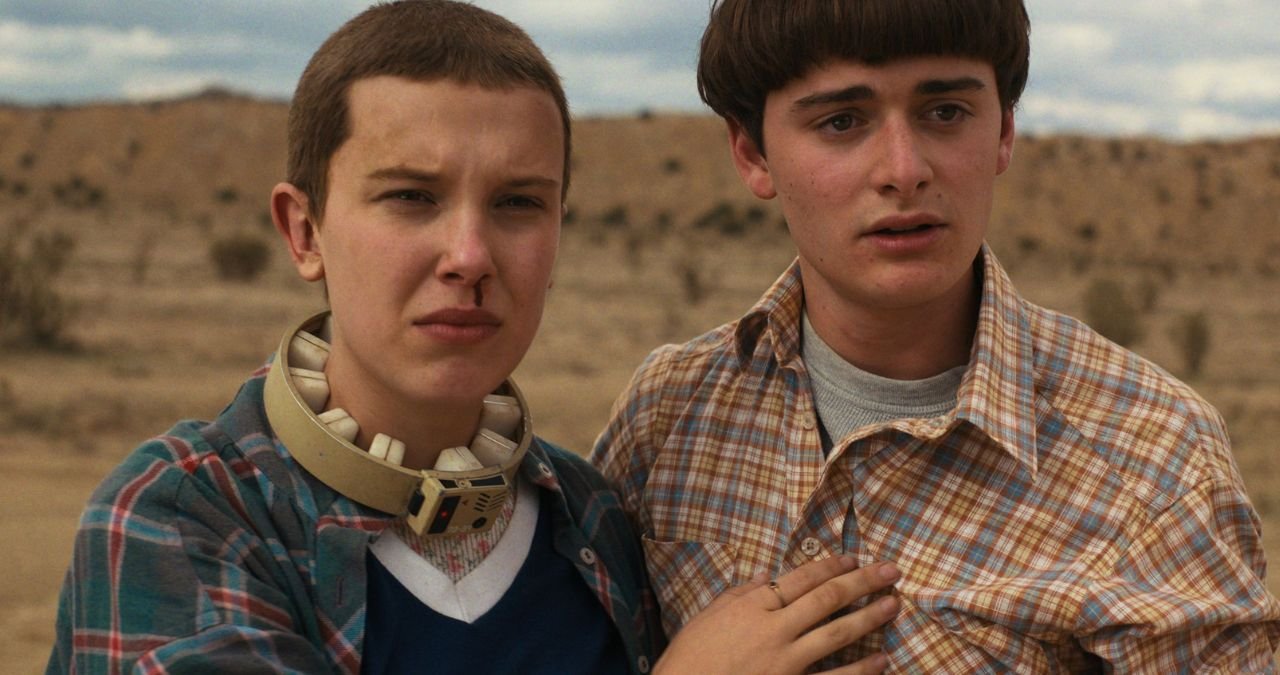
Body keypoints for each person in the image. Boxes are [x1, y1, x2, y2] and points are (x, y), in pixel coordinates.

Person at [47, 2, 901, 673]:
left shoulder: (592, 518)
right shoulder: (183, 519)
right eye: (411, 197)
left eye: (518, 203)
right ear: (304, 231)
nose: (470, 255)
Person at [592, 0, 1280, 671]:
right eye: (841, 122)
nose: (904, 170)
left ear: (1004, 130)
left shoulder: (1156, 463)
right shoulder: (669, 415)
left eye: (945, 112)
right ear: (753, 154)